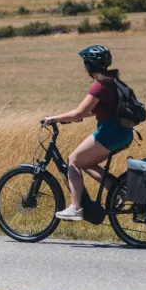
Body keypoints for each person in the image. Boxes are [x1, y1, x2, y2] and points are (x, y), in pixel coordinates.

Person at [44, 45, 134, 221]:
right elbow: (98, 110)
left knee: (73, 160)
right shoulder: (113, 81)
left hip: (110, 133)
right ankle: (118, 190)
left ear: (89, 66)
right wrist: (76, 116)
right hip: (124, 133)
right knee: (85, 163)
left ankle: (76, 208)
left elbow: (79, 113)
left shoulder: (99, 87)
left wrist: (53, 118)